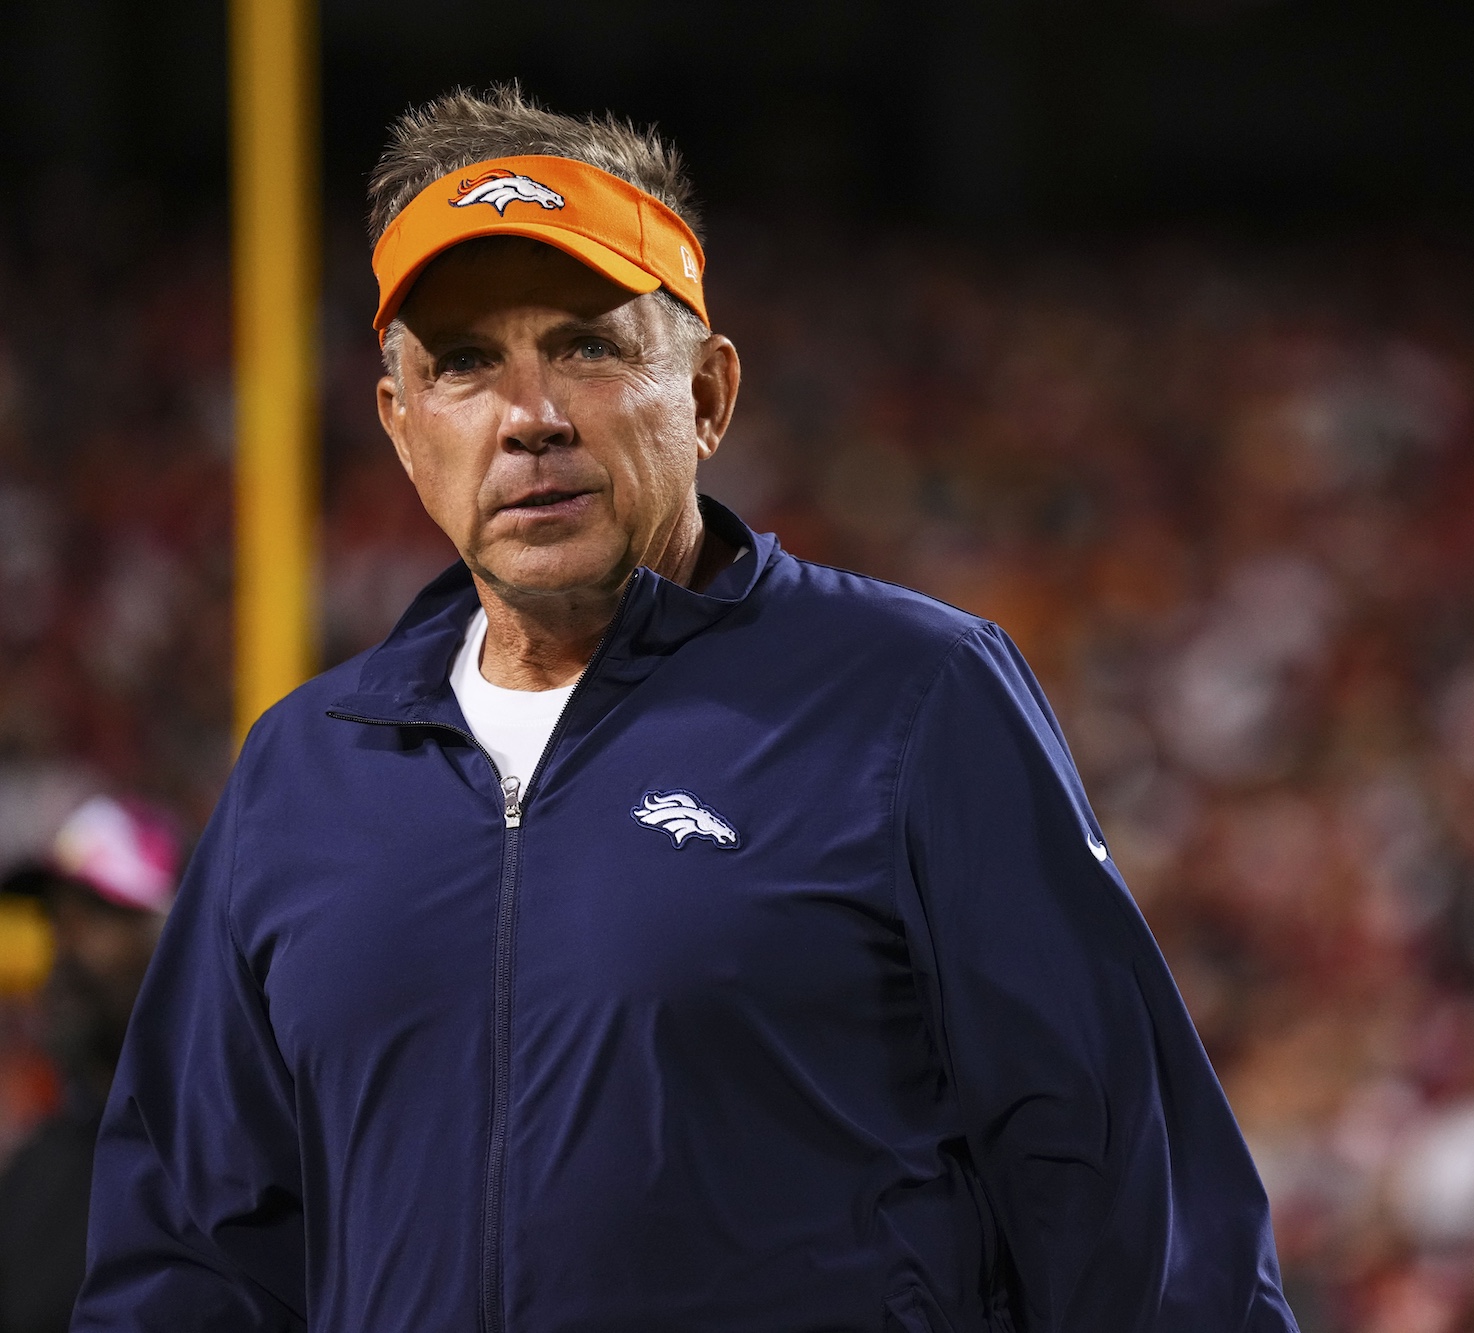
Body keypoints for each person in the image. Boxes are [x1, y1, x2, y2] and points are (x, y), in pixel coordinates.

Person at [75, 84, 1297, 1332]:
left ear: (707, 395)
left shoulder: (909, 699)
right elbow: (188, 1255)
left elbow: (1131, 1215)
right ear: (400, 424)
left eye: (588, 346)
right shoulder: (304, 770)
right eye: (463, 364)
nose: (530, 417)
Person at [0, 796, 177, 1333]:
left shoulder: (229, 1160)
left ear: (173, 932)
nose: (63, 949)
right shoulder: (36, 1168)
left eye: (94, 917)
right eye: (57, 922)